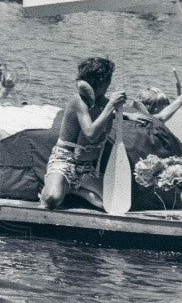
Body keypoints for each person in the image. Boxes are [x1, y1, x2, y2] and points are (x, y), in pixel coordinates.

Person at [39, 57, 126, 210]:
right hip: (65, 159)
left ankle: (73, 189)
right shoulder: (77, 101)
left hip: (86, 166)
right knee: (52, 200)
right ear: (102, 82)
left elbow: (103, 113)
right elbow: (90, 133)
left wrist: (125, 113)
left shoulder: (103, 103)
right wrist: (111, 105)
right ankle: (59, 186)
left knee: (111, 205)